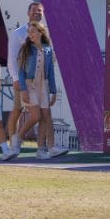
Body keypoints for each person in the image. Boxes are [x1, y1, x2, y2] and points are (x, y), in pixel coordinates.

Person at [16, 21, 69, 159]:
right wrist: (23, 90)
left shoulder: (48, 50)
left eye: (33, 31)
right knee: (36, 116)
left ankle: (46, 149)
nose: (30, 34)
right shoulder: (25, 49)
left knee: (47, 118)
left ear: (40, 32)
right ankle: (18, 138)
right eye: (29, 32)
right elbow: (21, 71)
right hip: (30, 85)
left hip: (43, 86)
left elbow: (51, 73)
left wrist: (53, 92)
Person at [6, 1, 43, 153]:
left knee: (37, 115)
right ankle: (13, 143)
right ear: (28, 13)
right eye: (34, 10)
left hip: (39, 81)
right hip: (22, 79)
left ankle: (21, 140)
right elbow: (12, 58)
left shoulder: (44, 33)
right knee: (17, 110)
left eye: (39, 11)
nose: (36, 13)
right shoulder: (19, 33)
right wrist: (15, 78)